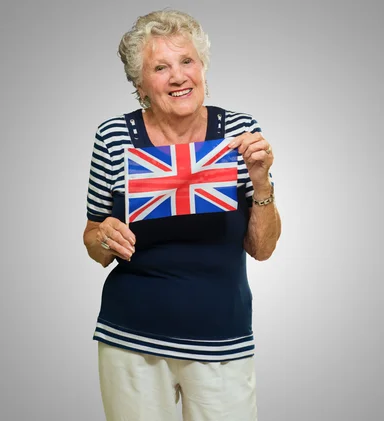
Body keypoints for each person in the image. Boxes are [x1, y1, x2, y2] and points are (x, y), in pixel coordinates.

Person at [83, 9, 281, 421]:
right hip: (130, 338)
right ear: (140, 85)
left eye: (187, 61)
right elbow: (93, 238)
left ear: (203, 68)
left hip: (222, 340)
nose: (178, 76)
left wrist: (261, 183)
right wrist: (105, 235)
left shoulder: (240, 133)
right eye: (161, 67)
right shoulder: (113, 137)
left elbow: (261, 249)